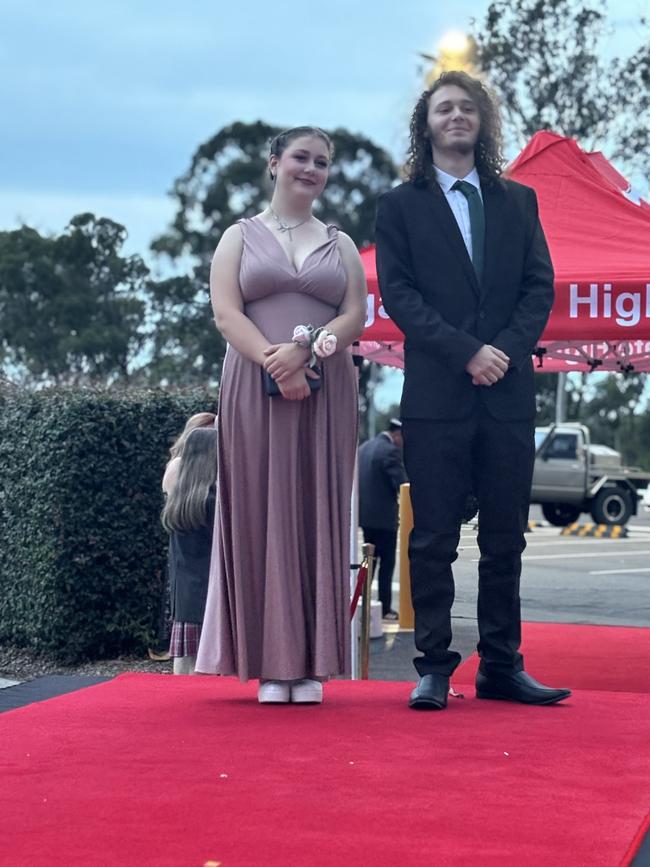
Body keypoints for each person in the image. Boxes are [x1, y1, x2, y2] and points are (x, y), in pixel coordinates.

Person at [375, 71, 571, 710]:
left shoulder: (519, 201)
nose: (456, 116)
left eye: (466, 108)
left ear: (482, 121)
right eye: (443, 108)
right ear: (426, 124)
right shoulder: (400, 204)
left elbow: (539, 288)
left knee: (505, 538)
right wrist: (467, 353)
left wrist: (504, 353)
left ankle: (502, 665)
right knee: (431, 536)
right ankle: (433, 666)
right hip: (436, 398)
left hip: (508, 398)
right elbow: (399, 294)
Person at [195, 126, 367, 704]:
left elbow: (355, 316)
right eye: (301, 157)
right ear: (274, 163)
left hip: (325, 387)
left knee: (316, 507)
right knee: (258, 506)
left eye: (322, 161)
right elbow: (225, 313)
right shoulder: (237, 237)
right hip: (252, 384)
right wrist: (276, 364)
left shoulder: (341, 244)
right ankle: (270, 662)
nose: (311, 168)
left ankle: (312, 666)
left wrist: (308, 349)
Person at [162, 427, 218, 675]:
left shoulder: (177, 502)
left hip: (185, 596)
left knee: (185, 668)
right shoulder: (213, 502)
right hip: (211, 593)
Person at [358, 419, 407, 620]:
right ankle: (386, 608)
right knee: (387, 564)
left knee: (369, 561)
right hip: (384, 518)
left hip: (366, 516)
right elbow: (402, 484)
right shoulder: (390, 451)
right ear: (397, 434)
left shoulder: (365, 447)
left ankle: (362, 602)